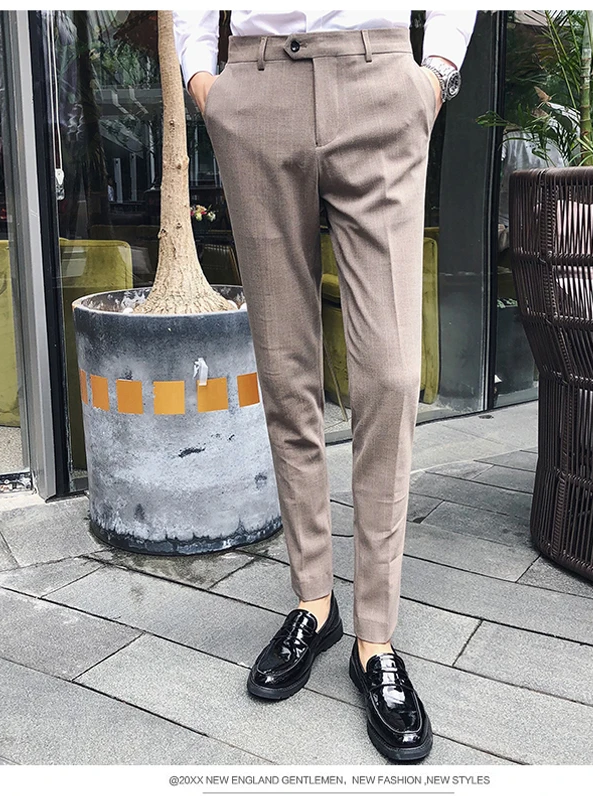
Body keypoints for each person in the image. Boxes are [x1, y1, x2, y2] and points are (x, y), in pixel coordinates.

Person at [174, 10, 476, 762]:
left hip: (381, 84)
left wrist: (437, 72)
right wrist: (202, 79)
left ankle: (377, 637)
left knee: (392, 376)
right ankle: (315, 602)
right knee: (286, 369)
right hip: (256, 86)